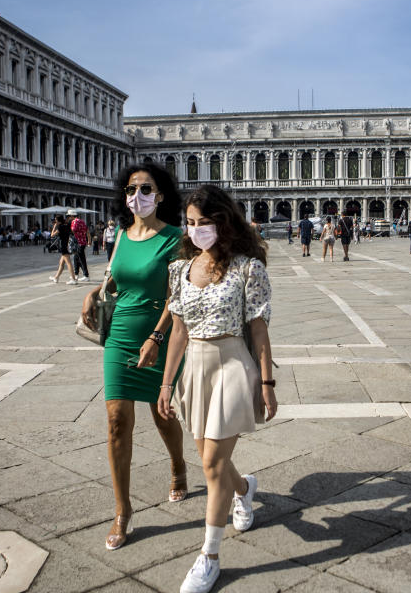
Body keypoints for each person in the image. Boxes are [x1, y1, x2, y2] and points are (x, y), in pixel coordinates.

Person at [158, 184, 277, 593]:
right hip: (195, 368)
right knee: (216, 463)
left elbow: (259, 330)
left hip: (231, 364)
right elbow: (177, 331)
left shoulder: (247, 267)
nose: (195, 231)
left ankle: (208, 556)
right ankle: (245, 490)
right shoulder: (179, 269)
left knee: (210, 465)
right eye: (190, 223)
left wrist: (267, 382)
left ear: (223, 222)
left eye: (204, 223)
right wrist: (165, 382)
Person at [81, 162, 189, 551]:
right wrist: (94, 291)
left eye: (146, 189)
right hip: (121, 333)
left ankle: (178, 465)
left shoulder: (176, 237)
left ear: (161, 195)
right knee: (116, 420)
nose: (137, 196)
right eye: (131, 189)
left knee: (161, 414)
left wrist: (158, 338)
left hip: (160, 332)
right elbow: (115, 275)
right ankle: (122, 509)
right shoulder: (123, 235)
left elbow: (178, 295)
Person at [50, 215, 78, 284]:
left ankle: (73, 279)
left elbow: (52, 235)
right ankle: (56, 277)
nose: (55, 221)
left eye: (56, 220)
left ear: (58, 221)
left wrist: (54, 226)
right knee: (61, 263)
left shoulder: (60, 227)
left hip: (64, 246)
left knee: (68, 263)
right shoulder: (67, 225)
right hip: (68, 245)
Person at [68, 209, 90, 281]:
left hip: (78, 242)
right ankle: (76, 274)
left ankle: (86, 275)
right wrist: (89, 240)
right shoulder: (82, 221)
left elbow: (73, 230)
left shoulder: (74, 222)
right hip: (83, 242)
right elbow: (87, 231)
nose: (69, 218)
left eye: (69, 216)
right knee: (76, 258)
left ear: (72, 216)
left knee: (81, 259)